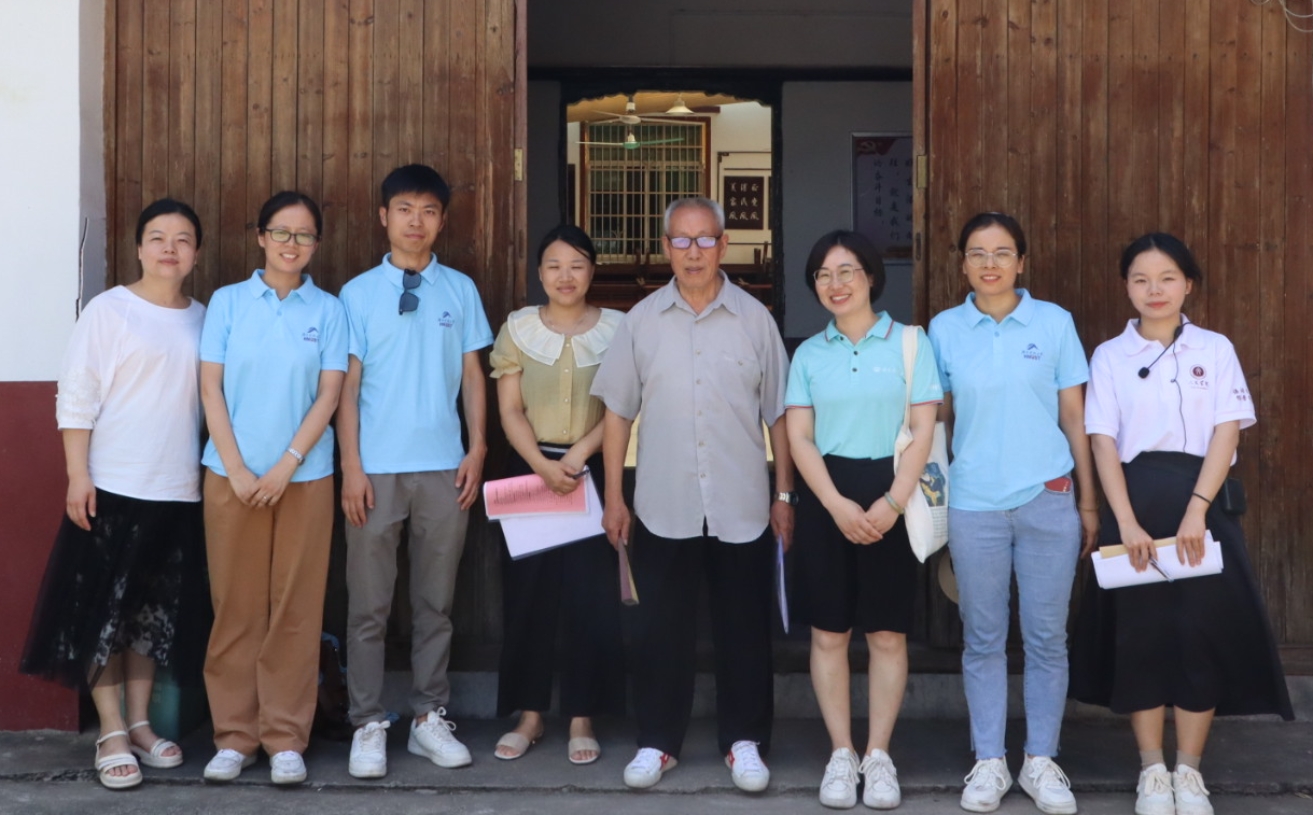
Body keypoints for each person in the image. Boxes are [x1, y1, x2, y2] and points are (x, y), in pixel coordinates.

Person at [1069, 233, 1293, 815]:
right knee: (1141, 635)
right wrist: (1125, 521)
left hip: (1203, 505)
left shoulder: (1214, 349)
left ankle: (1189, 772)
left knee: (1199, 635)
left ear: (1187, 284)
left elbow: (1227, 429)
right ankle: (1152, 770)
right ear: (1126, 287)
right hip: (1134, 506)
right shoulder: (1109, 356)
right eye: (1141, 279)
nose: (1155, 290)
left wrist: (1197, 509)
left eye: (1167, 278)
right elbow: (1102, 441)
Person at [591, 196, 796, 793]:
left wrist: (785, 494)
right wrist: (613, 497)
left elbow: (780, 415)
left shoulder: (755, 320)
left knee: (744, 627)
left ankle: (745, 741)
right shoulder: (641, 321)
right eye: (681, 240)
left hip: (742, 502)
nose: (693, 251)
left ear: (723, 245)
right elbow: (617, 414)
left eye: (705, 239)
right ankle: (657, 741)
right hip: (663, 501)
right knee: (659, 629)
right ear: (666, 248)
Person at [21, 199, 210, 790]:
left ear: (196, 253)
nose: (170, 248)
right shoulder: (109, 310)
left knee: (150, 617)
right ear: (138, 248)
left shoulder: (204, 318)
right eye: (157, 237)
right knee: (104, 614)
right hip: (113, 485)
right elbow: (77, 393)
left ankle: (140, 723)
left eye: (183, 239)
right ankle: (110, 731)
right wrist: (77, 475)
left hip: (177, 488)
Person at [927, 212, 1097, 815]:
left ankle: (1041, 759)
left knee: (1048, 637)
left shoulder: (1053, 323)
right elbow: (936, 416)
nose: (990, 263)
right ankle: (990, 761)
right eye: (977, 253)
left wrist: (1087, 498)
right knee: (983, 637)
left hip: (1047, 497)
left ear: (1022, 262)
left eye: (1002, 252)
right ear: (963, 263)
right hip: (973, 502)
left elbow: (1074, 416)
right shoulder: (945, 329)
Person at [338, 164, 494, 779]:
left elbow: (474, 376)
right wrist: (351, 466)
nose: (416, 221)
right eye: (404, 209)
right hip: (375, 472)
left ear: (442, 220)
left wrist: (477, 448)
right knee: (368, 608)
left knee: (436, 604)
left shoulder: (460, 289)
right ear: (384, 217)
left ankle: (429, 716)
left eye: (428, 211)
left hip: (443, 469)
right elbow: (347, 389)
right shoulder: (356, 294)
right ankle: (367, 722)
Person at [786, 230, 940, 810]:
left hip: (890, 495)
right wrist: (832, 502)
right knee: (829, 632)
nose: (836, 284)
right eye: (823, 275)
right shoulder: (809, 354)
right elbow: (799, 436)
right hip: (827, 497)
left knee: (886, 633)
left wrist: (894, 502)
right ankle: (841, 753)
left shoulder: (910, 343)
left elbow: (923, 429)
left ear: (871, 276)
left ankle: (878, 755)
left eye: (847, 271)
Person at [198, 191, 347, 785]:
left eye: (304, 235)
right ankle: (235, 737)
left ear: (316, 244)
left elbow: (329, 394)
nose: (292, 244)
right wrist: (236, 469)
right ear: (260, 236)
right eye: (281, 232)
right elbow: (210, 388)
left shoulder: (329, 310)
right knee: (235, 608)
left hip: (304, 478)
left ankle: (285, 737)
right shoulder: (228, 302)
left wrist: (287, 464)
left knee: (295, 609)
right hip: (229, 477)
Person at [489, 225, 626, 765]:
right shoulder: (518, 328)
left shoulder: (619, 329)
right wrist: (542, 466)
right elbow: (509, 409)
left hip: (595, 469)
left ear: (592, 270)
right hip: (530, 472)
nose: (565, 276)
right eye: (554, 265)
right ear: (539, 273)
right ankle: (530, 714)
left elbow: (623, 406)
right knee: (529, 597)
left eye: (577, 265)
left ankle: (582, 715)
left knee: (590, 600)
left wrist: (580, 454)